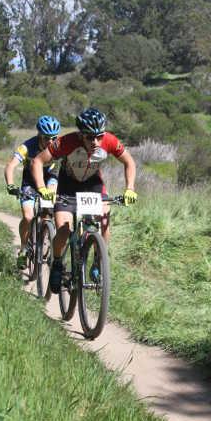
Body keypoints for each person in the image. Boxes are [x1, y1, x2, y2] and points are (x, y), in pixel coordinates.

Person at [31, 107, 137, 294]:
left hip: (93, 186)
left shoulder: (110, 141)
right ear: (80, 135)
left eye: (99, 136)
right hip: (68, 186)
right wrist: (41, 188)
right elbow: (38, 161)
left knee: (104, 222)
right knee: (63, 230)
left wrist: (129, 189)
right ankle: (57, 264)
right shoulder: (66, 142)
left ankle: (97, 262)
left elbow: (129, 162)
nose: (95, 142)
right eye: (89, 137)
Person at [4, 115, 61, 269]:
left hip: (50, 178)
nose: (50, 141)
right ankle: (23, 248)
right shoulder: (27, 147)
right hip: (29, 182)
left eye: (54, 138)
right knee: (28, 216)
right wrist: (10, 185)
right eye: (46, 138)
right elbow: (10, 166)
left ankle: (44, 235)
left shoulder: (59, 146)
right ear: (39, 135)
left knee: (48, 208)